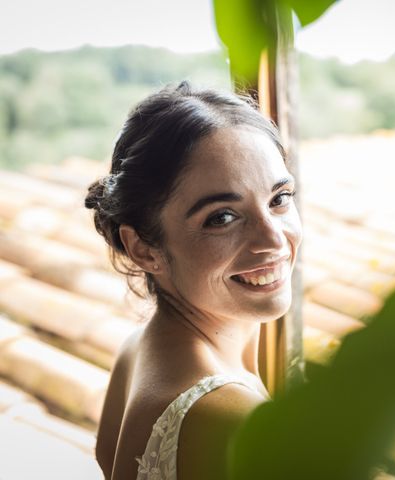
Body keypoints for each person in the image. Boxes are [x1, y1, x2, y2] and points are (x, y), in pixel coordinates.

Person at [85, 81, 302, 480]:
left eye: (279, 199)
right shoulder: (233, 418)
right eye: (222, 217)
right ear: (144, 249)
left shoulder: (139, 350)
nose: (274, 240)